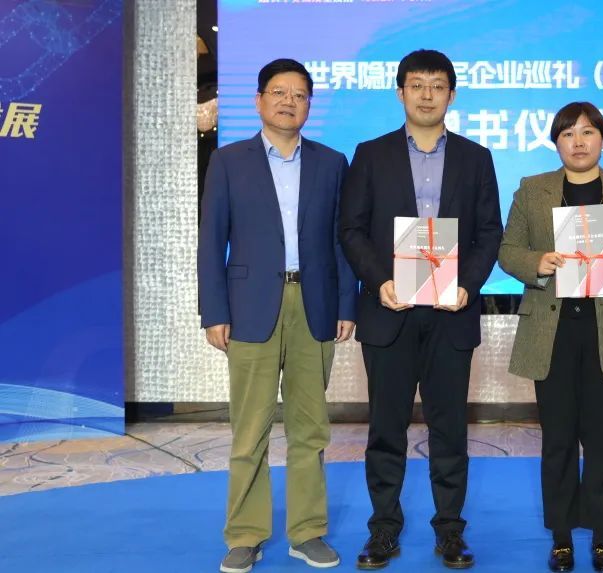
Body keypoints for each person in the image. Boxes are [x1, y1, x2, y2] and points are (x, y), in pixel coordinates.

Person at [338, 49, 502, 570]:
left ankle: (450, 531)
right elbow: (351, 229)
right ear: (400, 92)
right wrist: (380, 281)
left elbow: (489, 232)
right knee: (385, 429)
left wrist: (468, 285)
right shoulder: (370, 154)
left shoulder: (476, 158)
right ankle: (383, 529)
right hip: (390, 310)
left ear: (451, 95)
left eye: (437, 85)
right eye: (417, 84)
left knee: (449, 429)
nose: (427, 94)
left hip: (452, 314)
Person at [198, 58, 358, 573]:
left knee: (311, 429)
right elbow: (211, 242)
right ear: (259, 101)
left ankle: (307, 531)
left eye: (299, 94)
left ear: (310, 105)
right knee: (250, 429)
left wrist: (347, 303)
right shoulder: (228, 160)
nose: (289, 101)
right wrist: (214, 310)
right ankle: (245, 534)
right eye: (279, 92)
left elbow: (341, 241)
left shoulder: (332, 163)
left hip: (315, 304)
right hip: (249, 307)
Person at [498, 102, 603, 573]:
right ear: (556, 142)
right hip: (552, 331)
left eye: (588, 132)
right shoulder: (533, 190)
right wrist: (536, 263)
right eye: (568, 133)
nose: (578, 141)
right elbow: (508, 250)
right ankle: (562, 538)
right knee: (557, 440)